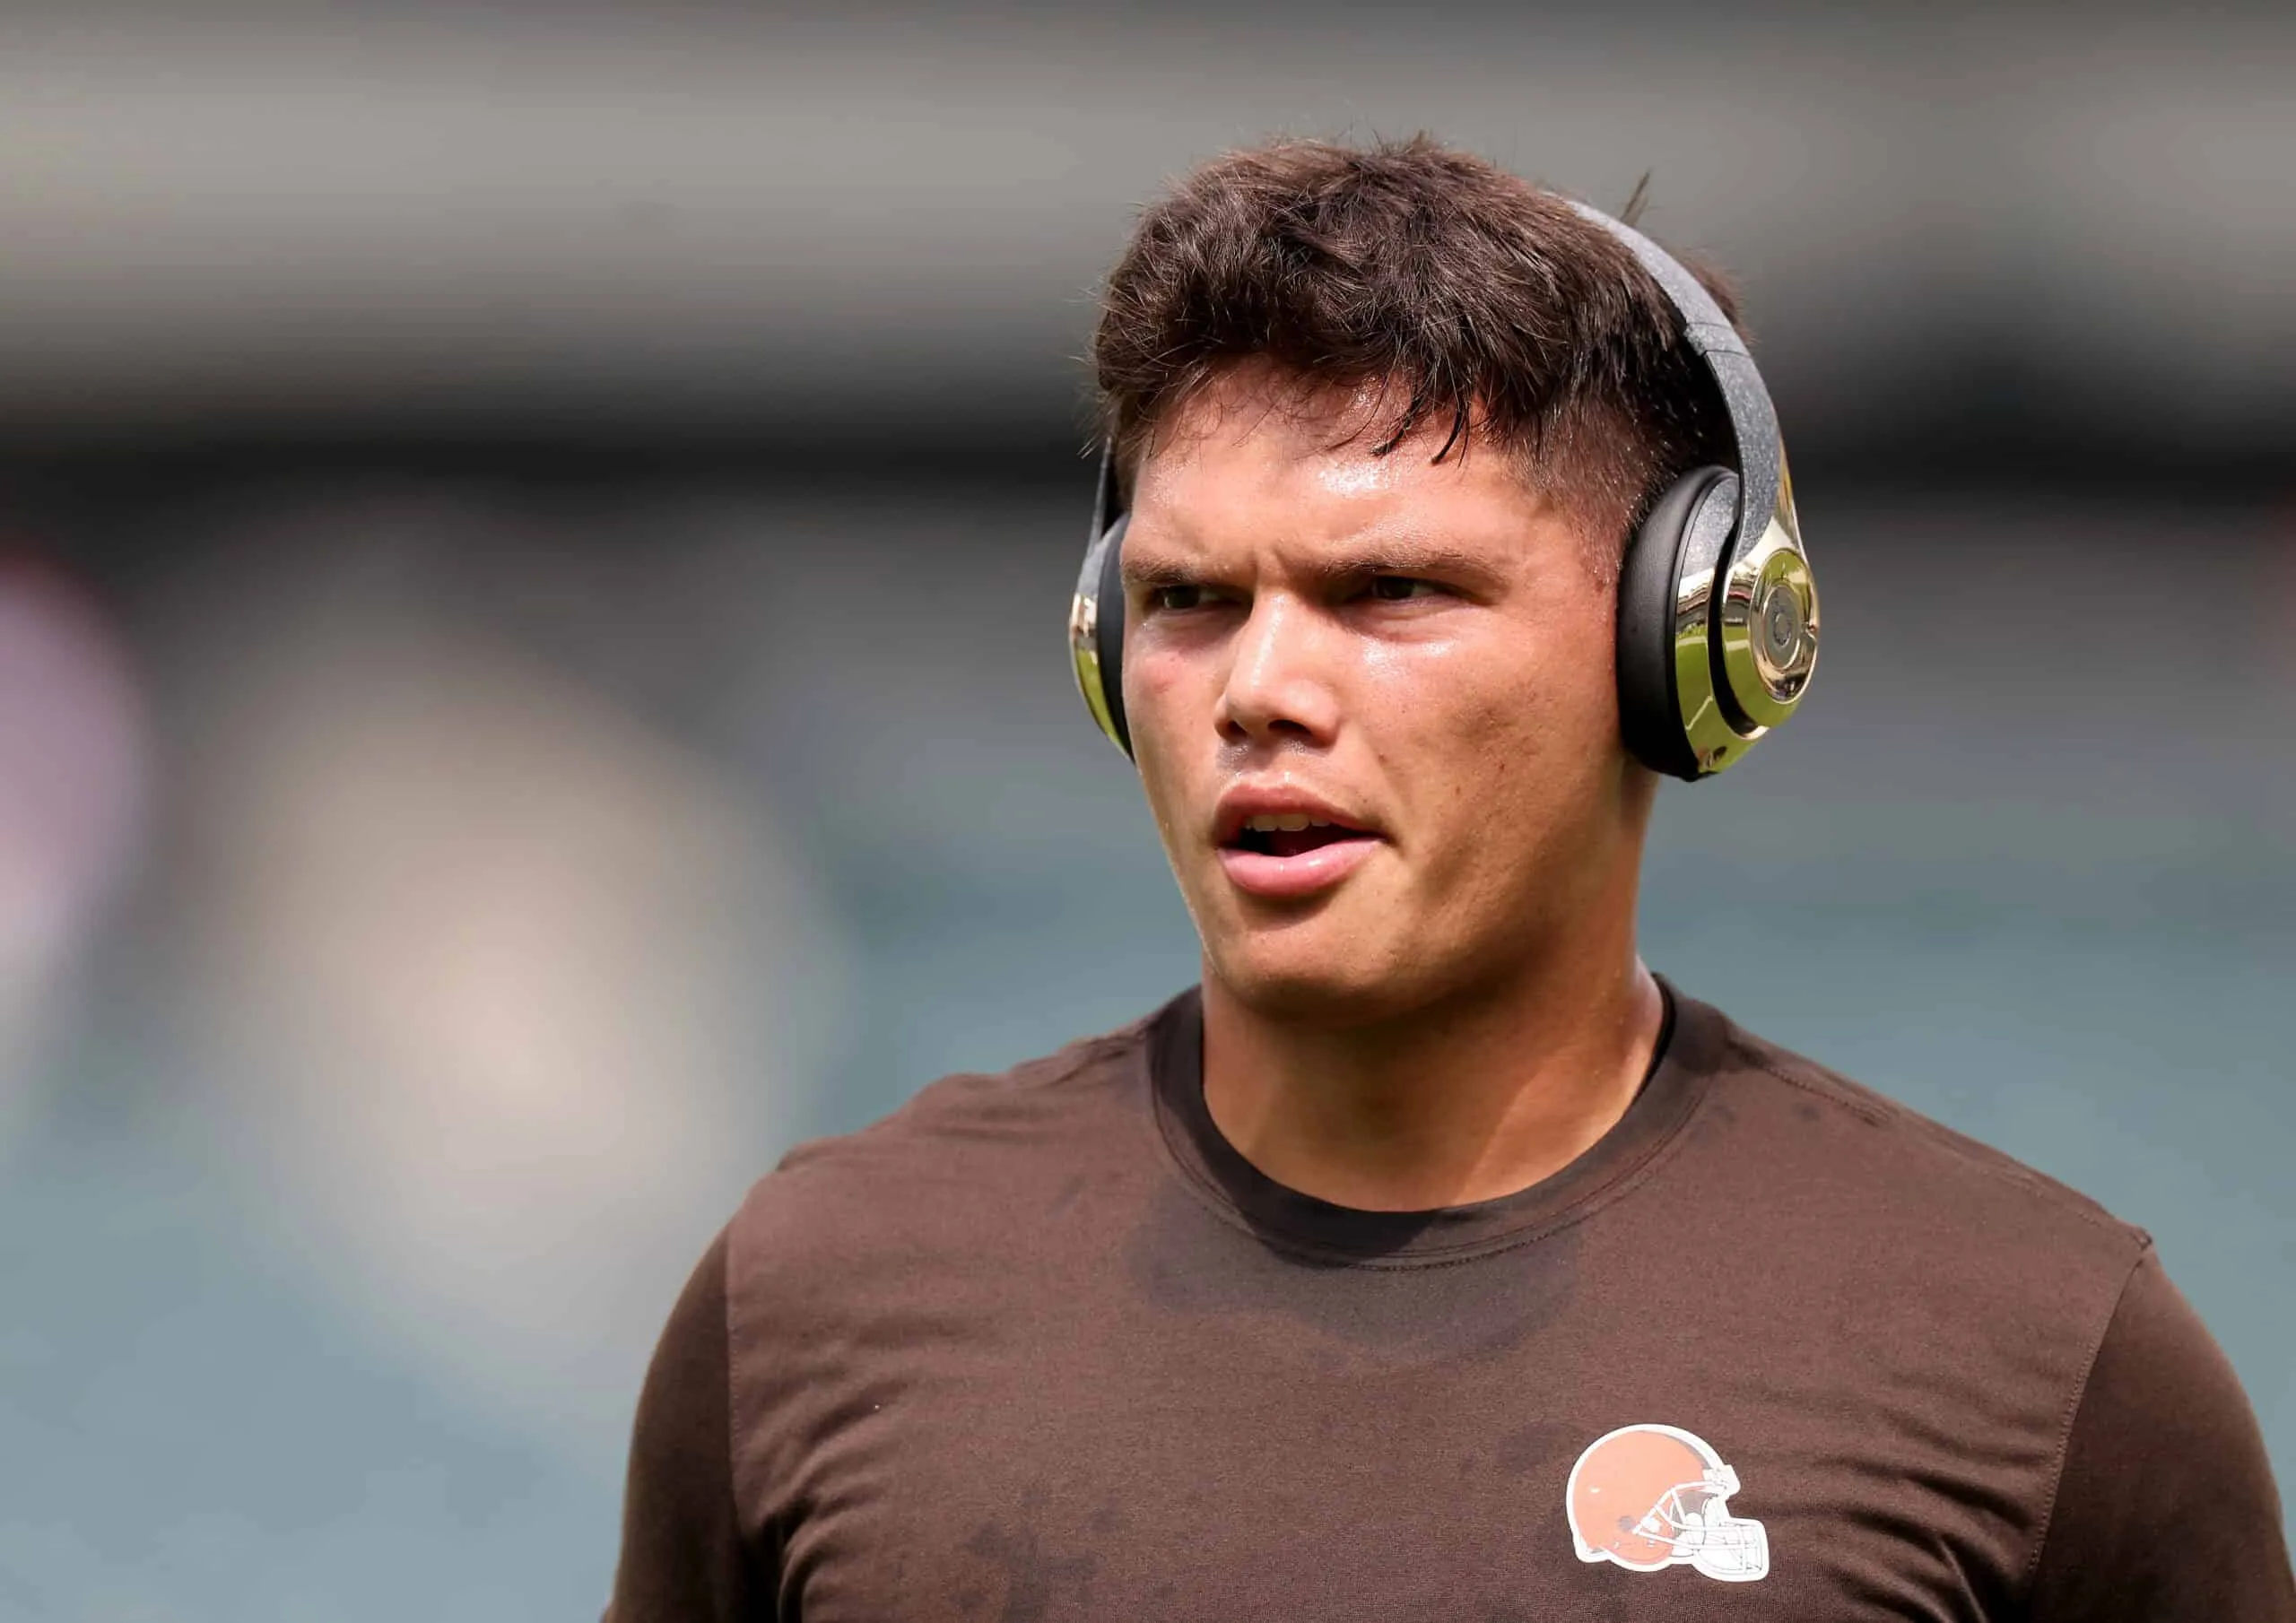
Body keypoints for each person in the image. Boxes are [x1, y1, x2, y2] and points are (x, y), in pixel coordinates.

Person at [604, 135, 2292, 1619]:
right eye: (1191, 600)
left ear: (1684, 647)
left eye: (1390, 591)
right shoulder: (816, 1294)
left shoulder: (2040, 1356)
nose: (1261, 687)